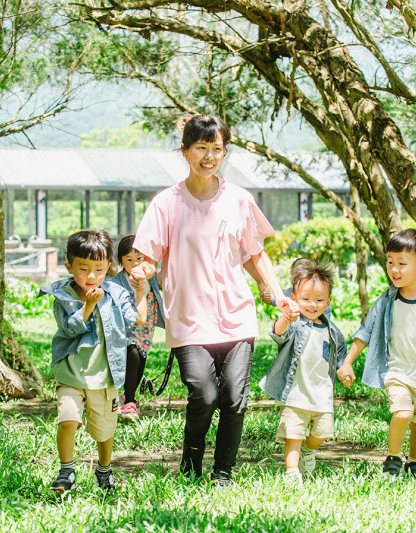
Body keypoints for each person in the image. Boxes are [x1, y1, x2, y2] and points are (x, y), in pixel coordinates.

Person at [131, 114, 297, 487]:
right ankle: (191, 467)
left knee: (235, 398)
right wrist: (142, 272)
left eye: (217, 149)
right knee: (204, 394)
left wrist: (277, 294)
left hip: (236, 315)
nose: (209, 156)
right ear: (186, 150)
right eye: (201, 148)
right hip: (189, 319)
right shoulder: (166, 204)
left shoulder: (238, 199)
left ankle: (224, 473)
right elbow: (149, 258)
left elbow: (255, 254)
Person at [337, 229, 416, 478]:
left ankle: (415, 462)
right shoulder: (386, 301)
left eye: (401, 263)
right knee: (403, 413)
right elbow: (365, 331)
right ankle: (393, 457)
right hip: (395, 371)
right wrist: (347, 363)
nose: (393, 269)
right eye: (390, 261)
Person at [39, 230, 147, 493]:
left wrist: (141, 289)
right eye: (83, 268)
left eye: (98, 269)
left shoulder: (117, 293)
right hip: (71, 374)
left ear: (108, 266)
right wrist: (88, 305)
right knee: (67, 420)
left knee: (104, 431)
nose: (91, 277)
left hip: (105, 376)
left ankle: (104, 470)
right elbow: (70, 329)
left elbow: (139, 320)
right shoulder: (63, 296)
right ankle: (66, 472)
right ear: (69, 266)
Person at [260, 261, 346, 482]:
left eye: (319, 300)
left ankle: (309, 449)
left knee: (323, 431)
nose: (312, 304)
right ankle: (291, 471)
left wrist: (345, 369)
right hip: (296, 393)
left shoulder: (332, 331)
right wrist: (285, 318)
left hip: (321, 393)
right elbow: (278, 333)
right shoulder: (296, 324)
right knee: (293, 433)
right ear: (295, 298)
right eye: (305, 299)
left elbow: (340, 356)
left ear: (328, 302)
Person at [109, 235, 166, 420]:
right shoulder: (118, 282)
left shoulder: (151, 278)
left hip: (147, 325)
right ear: (121, 261)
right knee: (131, 353)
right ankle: (129, 402)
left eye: (139, 259)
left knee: (140, 358)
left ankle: (129, 393)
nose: (135, 264)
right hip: (128, 326)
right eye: (129, 260)